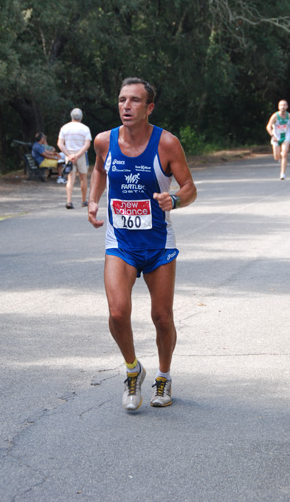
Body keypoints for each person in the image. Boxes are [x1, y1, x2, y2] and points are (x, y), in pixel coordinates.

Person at [88, 77, 197, 411]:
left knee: (161, 317)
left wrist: (174, 200)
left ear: (149, 107)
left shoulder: (166, 143)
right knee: (118, 312)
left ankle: (163, 376)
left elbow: (190, 187)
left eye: (135, 101)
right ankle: (133, 369)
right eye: (122, 100)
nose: (126, 106)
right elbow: (99, 171)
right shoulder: (104, 141)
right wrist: (94, 201)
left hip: (158, 244)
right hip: (120, 242)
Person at [57, 108, 92, 209]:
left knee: (70, 179)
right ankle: (83, 201)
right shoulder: (85, 128)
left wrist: (69, 155)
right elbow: (87, 144)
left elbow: (60, 143)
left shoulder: (64, 128)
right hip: (81, 156)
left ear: (71, 116)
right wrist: (77, 155)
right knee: (83, 178)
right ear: (81, 117)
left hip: (69, 156)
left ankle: (69, 201)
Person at [266, 99, 290, 180]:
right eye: (281, 105)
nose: (282, 107)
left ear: (287, 106)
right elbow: (268, 126)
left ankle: (282, 173)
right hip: (276, 137)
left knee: (284, 154)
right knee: (276, 157)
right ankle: (279, 157)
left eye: (284, 105)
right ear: (278, 107)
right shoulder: (275, 116)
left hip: (286, 137)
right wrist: (272, 135)